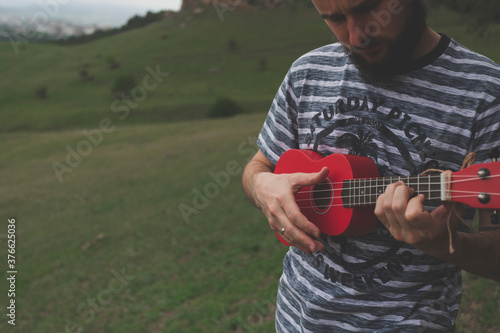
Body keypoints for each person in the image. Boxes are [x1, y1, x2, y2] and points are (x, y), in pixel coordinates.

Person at [241, 0, 500, 331]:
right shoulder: (306, 72)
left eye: (368, 8)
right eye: (334, 19)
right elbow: (257, 167)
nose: (356, 35)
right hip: (296, 321)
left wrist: (439, 242)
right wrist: (263, 187)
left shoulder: (486, 93)